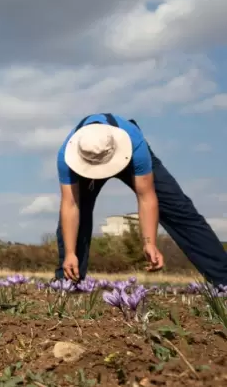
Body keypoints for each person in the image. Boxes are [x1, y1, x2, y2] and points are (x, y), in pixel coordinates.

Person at [55, 112, 227, 286]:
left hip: (127, 155)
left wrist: (149, 243)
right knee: (77, 214)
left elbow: (146, 196)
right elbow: (70, 205)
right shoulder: (66, 156)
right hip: (86, 162)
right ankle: (68, 282)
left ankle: (223, 279)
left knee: (178, 209)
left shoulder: (135, 143)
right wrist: (70, 253)